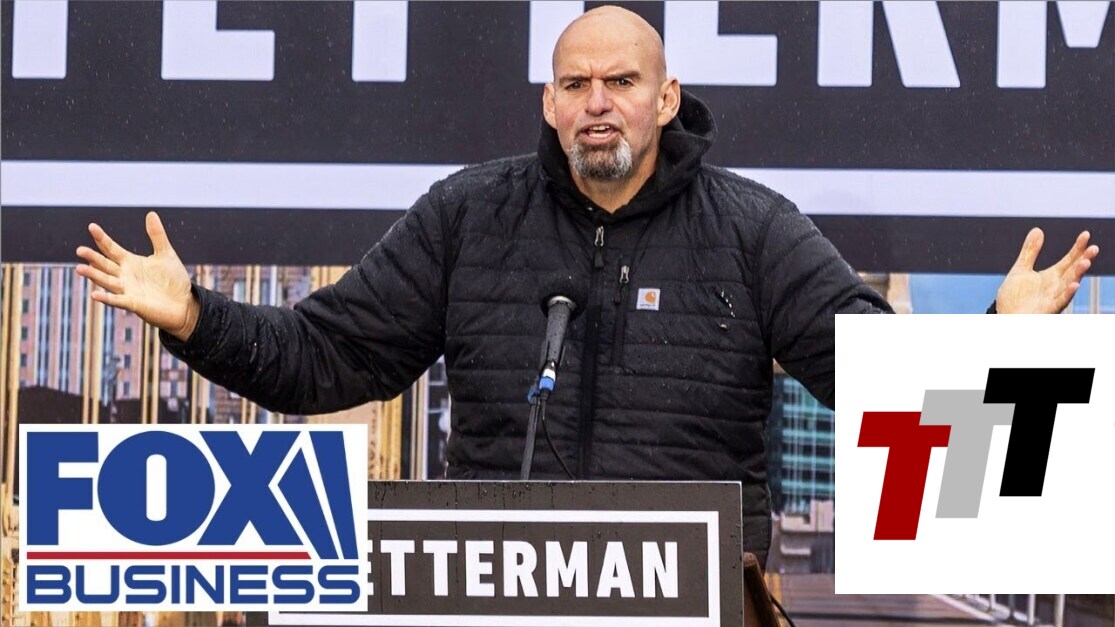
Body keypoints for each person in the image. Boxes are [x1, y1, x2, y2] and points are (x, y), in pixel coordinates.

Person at [75, 6, 1099, 565]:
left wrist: (993, 341)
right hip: (500, 590)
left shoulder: (752, 229)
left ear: (667, 97)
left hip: (704, 597)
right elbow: (327, 357)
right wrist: (195, 317)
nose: (597, 102)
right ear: (549, 102)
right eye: (575, 84)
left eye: (620, 82)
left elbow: (877, 381)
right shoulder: (467, 215)